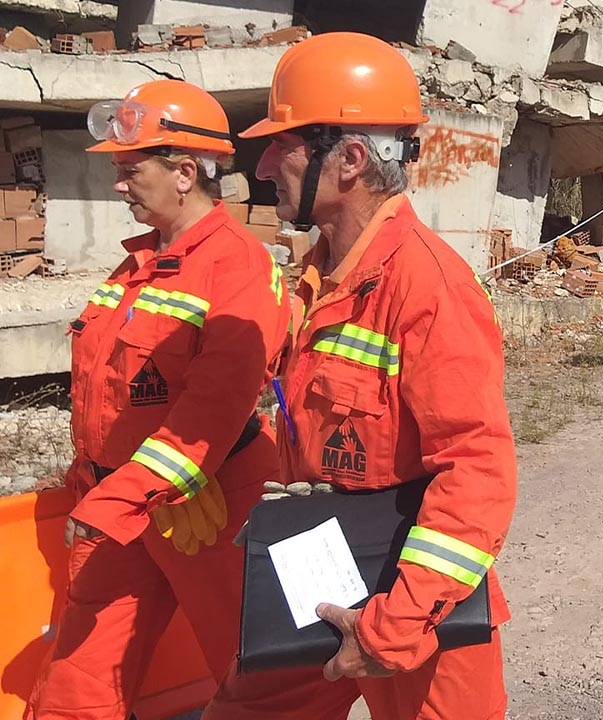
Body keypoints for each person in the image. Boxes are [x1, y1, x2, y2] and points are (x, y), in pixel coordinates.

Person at [202, 32, 517, 720]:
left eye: (281, 145)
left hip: (411, 601)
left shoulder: (426, 287)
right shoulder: (316, 279)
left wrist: (394, 627)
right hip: (316, 566)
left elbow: (476, 472)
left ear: (346, 159)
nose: (262, 164)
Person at [25, 80, 290, 718]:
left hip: (208, 503)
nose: (118, 185)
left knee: (257, 673)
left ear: (184, 172)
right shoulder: (139, 265)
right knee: (79, 678)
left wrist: (122, 493)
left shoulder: (237, 266)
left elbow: (215, 405)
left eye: (129, 170)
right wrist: (96, 481)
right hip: (119, 503)